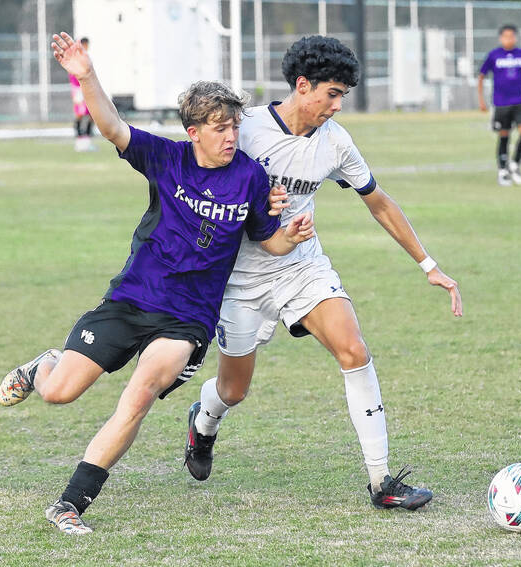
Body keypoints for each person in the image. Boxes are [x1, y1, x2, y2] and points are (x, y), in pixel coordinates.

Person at [0, 31, 315, 535]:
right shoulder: (166, 159)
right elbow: (112, 127)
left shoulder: (252, 177)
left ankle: (70, 503)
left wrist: (291, 237)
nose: (230, 135)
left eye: (233, 125)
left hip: (187, 319)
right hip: (129, 300)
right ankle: (45, 367)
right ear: (193, 132)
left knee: (141, 393)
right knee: (59, 394)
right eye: (218, 127)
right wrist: (86, 75)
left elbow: (267, 241)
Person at [184, 35, 463, 512]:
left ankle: (382, 483)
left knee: (354, 350)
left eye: (343, 97)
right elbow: (197, 178)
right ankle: (203, 422)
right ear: (302, 85)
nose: (336, 106)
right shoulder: (244, 128)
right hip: (240, 279)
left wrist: (429, 264)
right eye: (331, 94)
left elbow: (378, 202)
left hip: (302, 268)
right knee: (234, 389)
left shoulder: (335, 144)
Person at [478, 24, 521, 186]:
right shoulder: (494, 55)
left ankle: (515, 164)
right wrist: (481, 100)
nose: (509, 39)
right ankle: (502, 171)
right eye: (506, 36)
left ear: (516, 37)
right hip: (501, 103)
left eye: (512, 36)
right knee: (504, 135)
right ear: (501, 38)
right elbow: (481, 76)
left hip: (519, 102)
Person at [70, 37, 96, 151]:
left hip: (86, 88)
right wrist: (77, 91)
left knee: (92, 114)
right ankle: (79, 142)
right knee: (80, 115)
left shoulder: (85, 57)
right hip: (79, 89)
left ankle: (87, 141)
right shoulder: (76, 58)